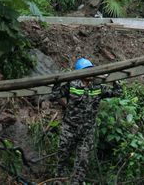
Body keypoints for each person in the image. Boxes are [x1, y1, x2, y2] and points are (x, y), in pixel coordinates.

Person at [51, 57, 122, 185]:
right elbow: (54, 96)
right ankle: (58, 180)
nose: (89, 73)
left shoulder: (98, 87)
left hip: (87, 131)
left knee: (83, 160)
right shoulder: (72, 85)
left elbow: (117, 93)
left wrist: (115, 80)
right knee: (62, 156)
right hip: (70, 129)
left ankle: (77, 182)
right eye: (86, 70)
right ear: (80, 72)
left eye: (90, 70)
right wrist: (57, 82)